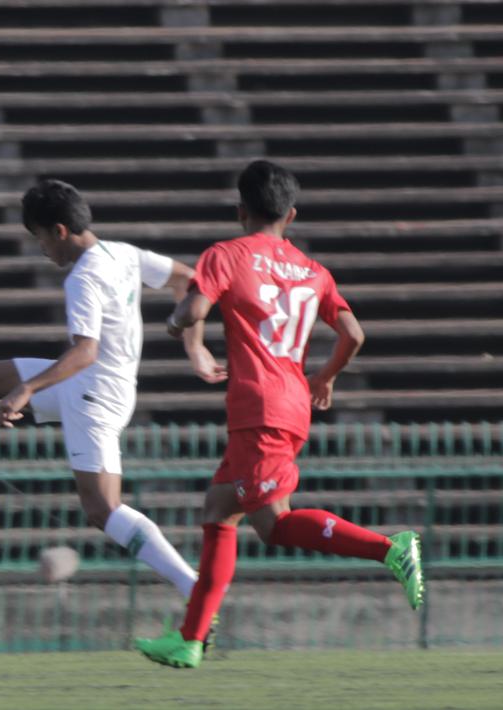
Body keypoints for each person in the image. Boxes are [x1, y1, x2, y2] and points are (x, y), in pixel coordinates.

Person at [135, 160, 425, 669]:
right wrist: (326, 377)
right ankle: (190, 636)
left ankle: (389, 548)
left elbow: (195, 311)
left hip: (259, 406)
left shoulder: (226, 254)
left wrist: (175, 320)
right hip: (291, 401)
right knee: (228, 512)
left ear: (240, 209)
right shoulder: (315, 272)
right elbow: (354, 335)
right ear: (291, 214)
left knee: (265, 523)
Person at [0, 178, 206, 603]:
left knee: (104, 510)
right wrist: (194, 345)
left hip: (95, 396)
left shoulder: (83, 278)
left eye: (39, 238)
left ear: (59, 231)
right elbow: (189, 279)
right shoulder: (123, 254)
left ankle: (195, 589)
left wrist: (26, 390)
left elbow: (86, 351)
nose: (41, 249)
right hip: (94, 384)